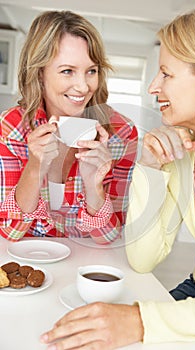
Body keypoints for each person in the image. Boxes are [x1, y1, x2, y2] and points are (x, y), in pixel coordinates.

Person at [40, 7, 195, 350]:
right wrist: (148, 166)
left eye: (166, 74)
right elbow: (143, 260)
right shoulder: (180, 153)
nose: (153, 86)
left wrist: (141, 321)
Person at [0, 10, 138, 244]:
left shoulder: (121, 133)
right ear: (39, 73)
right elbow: (9, 231)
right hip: (30, 261)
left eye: (91, 71)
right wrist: (35, 168)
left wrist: (95, 186)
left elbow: (109, 237)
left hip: (87, 265)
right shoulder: (11, 128)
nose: (83, 87)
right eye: (67, 71)